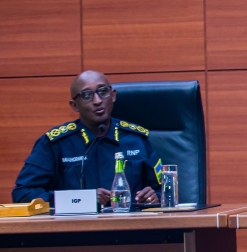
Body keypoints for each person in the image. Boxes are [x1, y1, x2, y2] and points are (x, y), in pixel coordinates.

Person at [12, 70, 163, 207]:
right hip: (76, 232)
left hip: (133, 230)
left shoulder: (137, 139)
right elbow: (23, 194)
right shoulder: (55, 143)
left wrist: (154, 196)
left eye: (103, 91)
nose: (97, 100)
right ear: (74, 106)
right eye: (86, 95)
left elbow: (165, 190)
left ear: (113, 95)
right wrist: (81, 199)